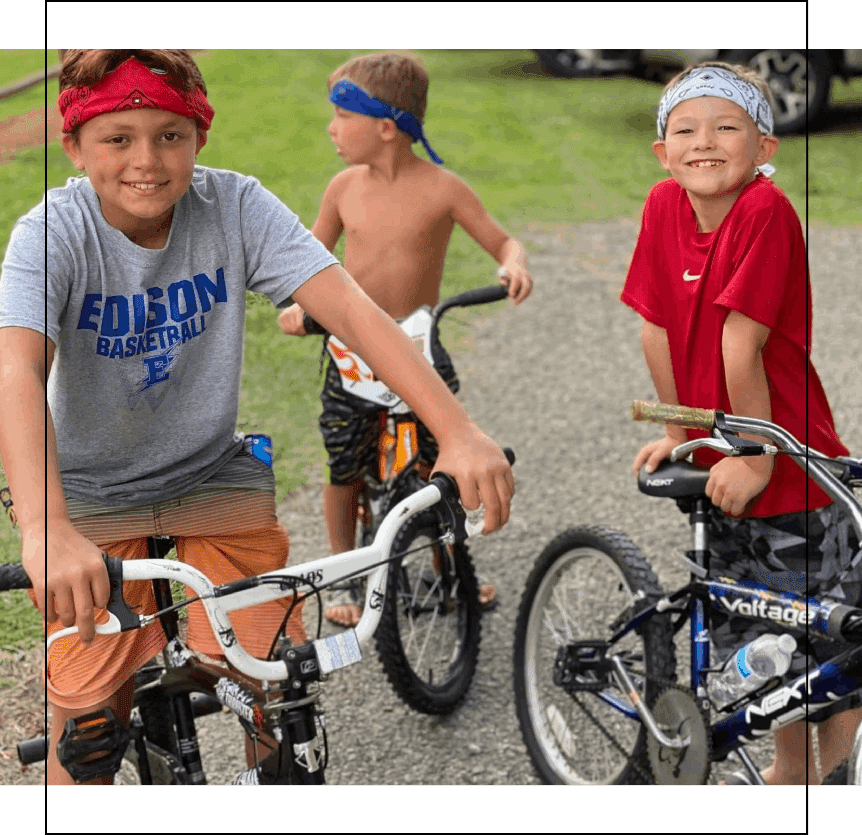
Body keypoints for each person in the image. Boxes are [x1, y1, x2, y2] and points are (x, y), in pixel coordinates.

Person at [0, 49, 515, 785]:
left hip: (210, 472)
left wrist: (458, 430)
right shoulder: (51, 233)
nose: (147, 160)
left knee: (273, 684)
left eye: (171, 136)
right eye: (118, 138)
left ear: (199, 139)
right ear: (75, 147)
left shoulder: (236, 206)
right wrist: (45, 526)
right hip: (85, 491)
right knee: (85, 727)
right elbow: (16, 367)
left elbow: (357, 316)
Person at [621, 61, 862, 785]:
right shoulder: (664, 204)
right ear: (663, 152)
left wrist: (757, 457)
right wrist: (679, 436)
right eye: (686, 130)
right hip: (731, 464)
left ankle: (836, 778)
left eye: (728, 127)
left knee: (827, 647)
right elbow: (654, 330)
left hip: (794, 471)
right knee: (772, 640)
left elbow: (740, 342)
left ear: (766, 147)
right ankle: (793, 776)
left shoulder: (766, 212)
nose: (705, 142)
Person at [279, 52, 532, 627]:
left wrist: (514, 265)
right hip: (349, 349)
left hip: (416, 348)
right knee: (343, 465)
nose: (331, 128)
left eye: (342, 115)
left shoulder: (444, 189)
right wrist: (296, 309)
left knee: (435, 462)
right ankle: (343, 571)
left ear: (386, 127)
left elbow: (503, 242)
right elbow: (305, 264)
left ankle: (449, 563)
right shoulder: (343, 188)